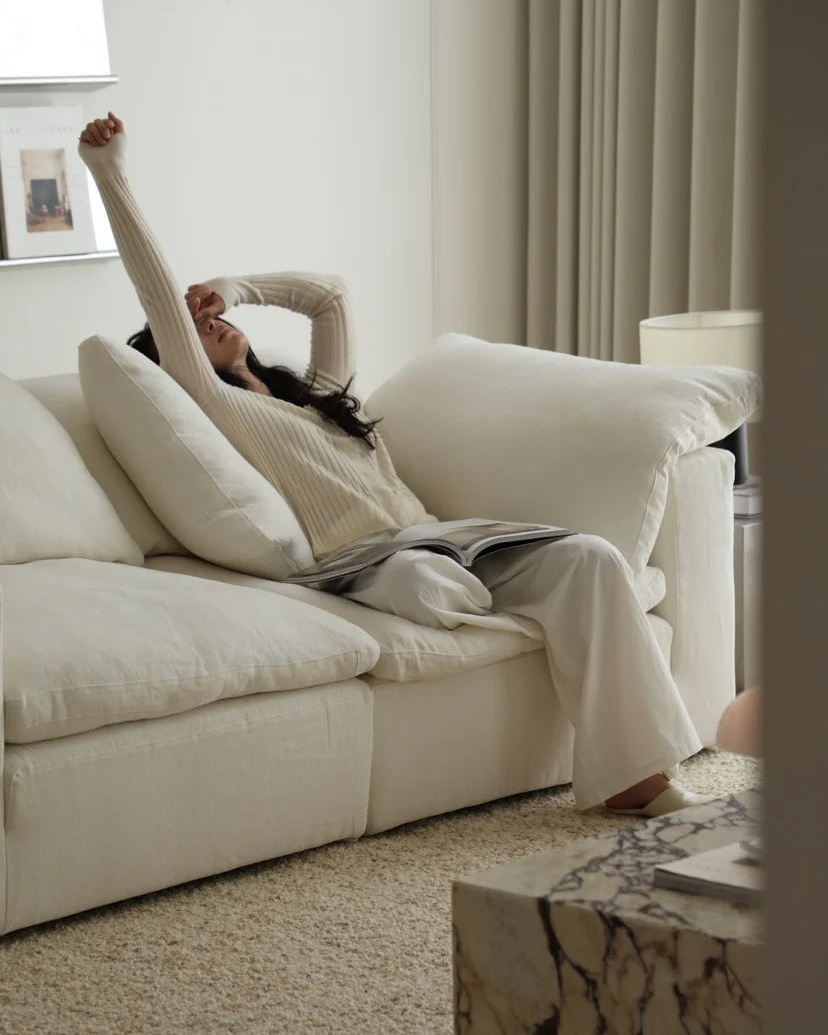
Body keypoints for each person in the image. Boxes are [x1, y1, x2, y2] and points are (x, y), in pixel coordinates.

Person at [78, 112, 706, 816]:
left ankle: (634, 778)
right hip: (364, 563)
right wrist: (111, 173)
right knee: (422, 580)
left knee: (589, 557)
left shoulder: (317, 398)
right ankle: (478, 601)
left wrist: (237, 285)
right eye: (192, 331)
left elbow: (330, 297)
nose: (208, 322)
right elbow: (159, 295)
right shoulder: (223, 411)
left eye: (210, 316)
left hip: (448, 535)